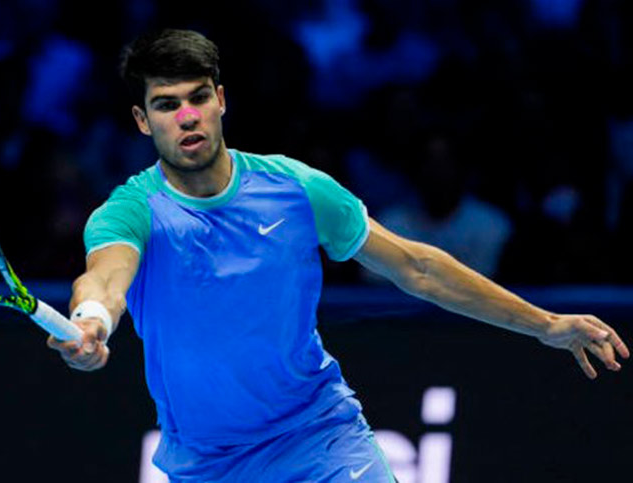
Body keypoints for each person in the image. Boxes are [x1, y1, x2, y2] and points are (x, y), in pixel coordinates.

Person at [47, 29, 629, 482]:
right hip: (206, 460)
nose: (188, 116)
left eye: (199, 97)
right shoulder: (131, 210)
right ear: (142, 120)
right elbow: (104, 277)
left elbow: (417, 267)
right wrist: (92, 321)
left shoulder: (297, 189)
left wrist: (546, 324)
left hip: (318, 435)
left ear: (222, 100)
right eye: (167, 105)